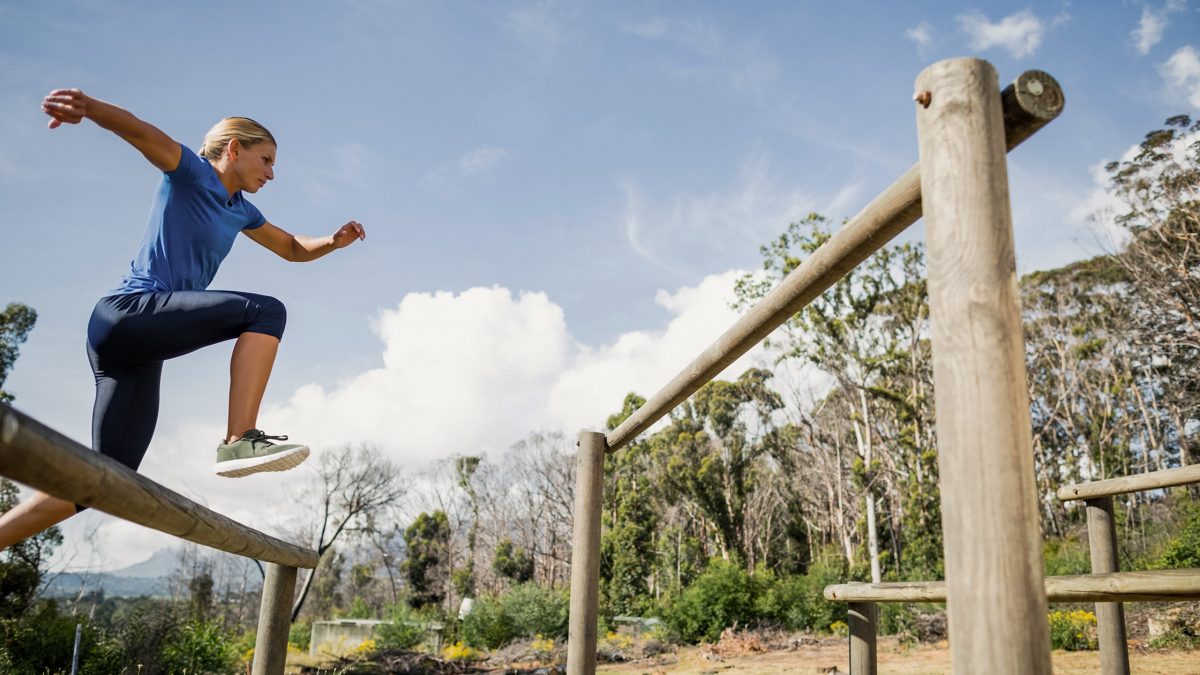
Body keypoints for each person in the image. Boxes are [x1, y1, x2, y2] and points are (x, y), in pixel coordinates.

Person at [0, 89, 365, 548]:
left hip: (133, 351)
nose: (272, 173)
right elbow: (140, 131)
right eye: (266, 160)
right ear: (234, 149)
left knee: (102, 479)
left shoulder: (241, 210)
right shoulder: (191, 172)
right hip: (128, 313)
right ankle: (239, 438)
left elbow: (291, 247)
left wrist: (333, 240)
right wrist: (90, 109)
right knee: (265, 312)